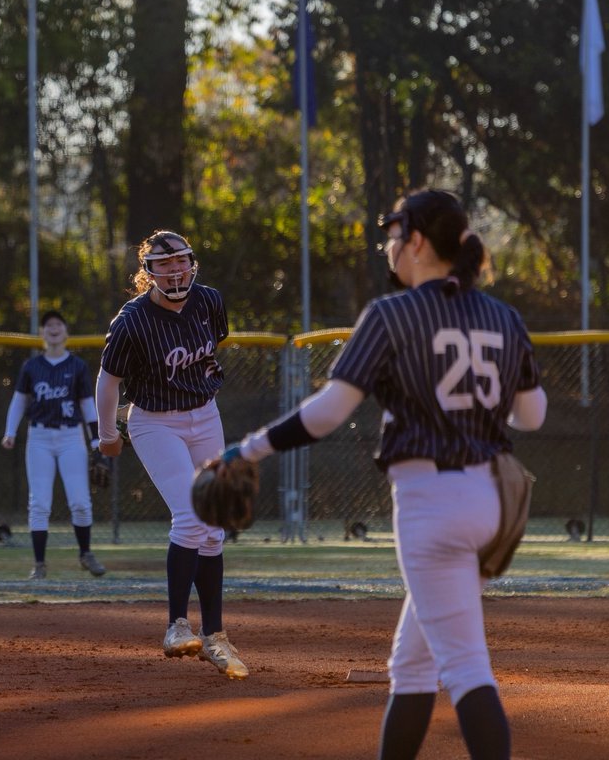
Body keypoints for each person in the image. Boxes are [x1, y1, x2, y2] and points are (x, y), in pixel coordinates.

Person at [215, 190, 547, 757]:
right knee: (412, 664)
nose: (389, 245)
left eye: (394, 234)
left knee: (465, 666)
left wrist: (246, 449)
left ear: (417, 241)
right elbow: (531, 415)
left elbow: (327, 414)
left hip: (432, 502)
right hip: (494, 502)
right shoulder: (502, 315)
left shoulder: (392, 314)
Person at [94, 230, 247, 680]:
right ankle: (177, 626)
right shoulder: (132, 321)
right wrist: (107, 435)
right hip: (155, 421)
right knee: (192, 515)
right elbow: (108, 382)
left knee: (214, 525)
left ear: (192, 262)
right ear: (149, 272)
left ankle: (215, 637)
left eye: (181, 260)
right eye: (164, 264)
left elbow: (208, 354)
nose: (175, 269)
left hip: (205, 413)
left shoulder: (210, 301)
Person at [2, 310, 107, 580]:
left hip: (71, 436)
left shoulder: (77, 366)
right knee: (39, 503)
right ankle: (39, 564)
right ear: (42, 333)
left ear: (66, 331)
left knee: (81, 502)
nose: (54, 328)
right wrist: (10, 431)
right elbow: (19, 401)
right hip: (39, 437)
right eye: (48, 325)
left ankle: (85, 553)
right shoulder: (31, 366)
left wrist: (96, 440)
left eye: (59, 324)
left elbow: (87, 405)